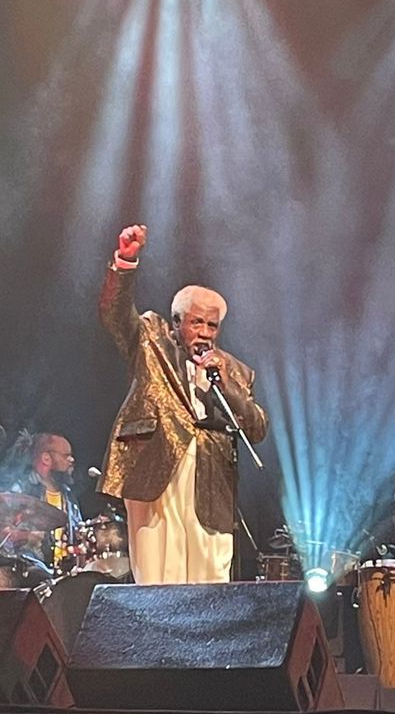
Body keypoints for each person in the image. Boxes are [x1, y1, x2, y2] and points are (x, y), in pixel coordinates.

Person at [98, 224, 268, 585]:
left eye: (212, 325)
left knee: (210, 587)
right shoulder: (151, 339)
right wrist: (126, 262)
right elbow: (115, 313)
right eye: (197, 323)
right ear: (177, 324)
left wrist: (230, 387)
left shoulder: (236, 370)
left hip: (212, 483)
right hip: (155, 470)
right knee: (160, 582)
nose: (205, 332)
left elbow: (257, 428)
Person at [0, 431, 82, 585]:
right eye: (66, 455)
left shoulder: (70, 498)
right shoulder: (22, 489)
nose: (72, 460)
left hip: (67, 573)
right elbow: (4, 532)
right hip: (29, 571)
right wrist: (28, 536)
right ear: (46, 458)